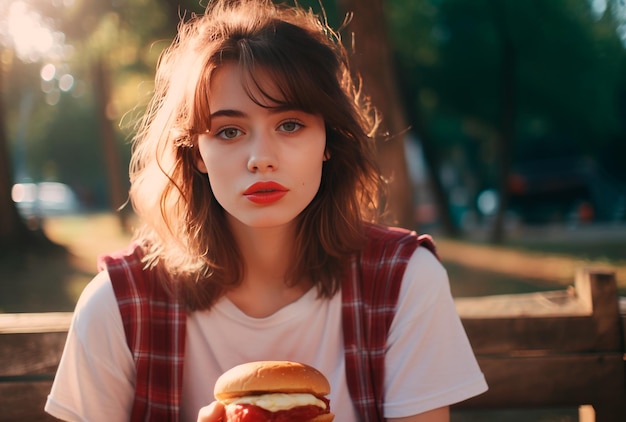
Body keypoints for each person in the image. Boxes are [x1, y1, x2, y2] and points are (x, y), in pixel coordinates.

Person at [45, 0, 487, 421]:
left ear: (329, 141)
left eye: (289, 124)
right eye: (230, 131)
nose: (261, 157)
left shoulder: (404, 280)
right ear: (196, 153)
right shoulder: (119, 305)